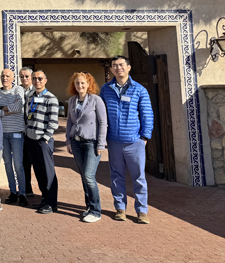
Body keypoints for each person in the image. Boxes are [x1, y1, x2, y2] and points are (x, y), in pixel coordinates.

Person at [100, 55, 154, 224]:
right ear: (111, 69)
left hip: (134, 142)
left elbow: (147, 114)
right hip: (114, 142)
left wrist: (144, 137)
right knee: (116, 176)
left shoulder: (139, 89)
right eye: (114, 65)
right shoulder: (105, 89)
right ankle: (120, 208)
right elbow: (101, 115)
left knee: (138, 177)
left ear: (129, 67)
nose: (118, 68)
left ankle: (142, 211)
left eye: (121, 65)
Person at [65, 72, 108, 223]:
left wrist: (101, 143)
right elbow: (70, 122)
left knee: (89, 176)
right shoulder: (72, 101)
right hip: (76, 142)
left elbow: (103, 123)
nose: (80, 86)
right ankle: (89, 207)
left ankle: (96, 211)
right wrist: (68, 141)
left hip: (92, 143)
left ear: (89, 84)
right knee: (84, 176)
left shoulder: (96, 100)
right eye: (77, 83)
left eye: (83, 83)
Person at [0, 69, 28, 207]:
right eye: (2, 76)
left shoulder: (18, 90)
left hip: (17, 133)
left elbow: (19, 106)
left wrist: (3, 109)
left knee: (18, 164)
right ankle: (13, 191)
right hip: (2, 134)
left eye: (7, 76)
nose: (4, 78)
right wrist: (9, 110)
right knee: (7, 164)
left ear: (13, 78)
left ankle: (22, 193)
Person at [25, 70, 59, 214]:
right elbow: (27, 116)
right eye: (34, 79)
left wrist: (46, 137)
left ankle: (52, 203)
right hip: (31, 139)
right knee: (38, 171)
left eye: (40, 78)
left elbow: (53, 122)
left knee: (48, 172)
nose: (37, 81)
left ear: (45, 80)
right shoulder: (30, 96)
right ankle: (44, 199)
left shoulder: (51, 98)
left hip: (43, 141)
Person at [18, 67, 35, 197]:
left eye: (26, 76)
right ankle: (26, 188)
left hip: (34, 131)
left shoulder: (37, 91)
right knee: (24, 162)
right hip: (20, 132)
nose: (24, 79)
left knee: (37, 162)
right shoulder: (16, 91)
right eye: (22, 76)